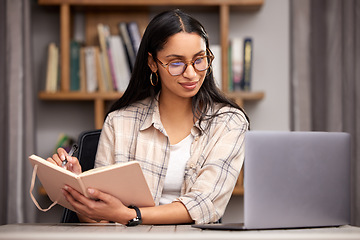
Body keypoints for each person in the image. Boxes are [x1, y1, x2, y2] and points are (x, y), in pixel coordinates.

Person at [48, 9, 249, 225]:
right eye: (176, 63)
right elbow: (101, 221)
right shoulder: (120, 121)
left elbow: (205, 204)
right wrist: (77, 186)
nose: (191, 73)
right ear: (153, 63)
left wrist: (128, 215)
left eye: (200, 60)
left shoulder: (229, 122)